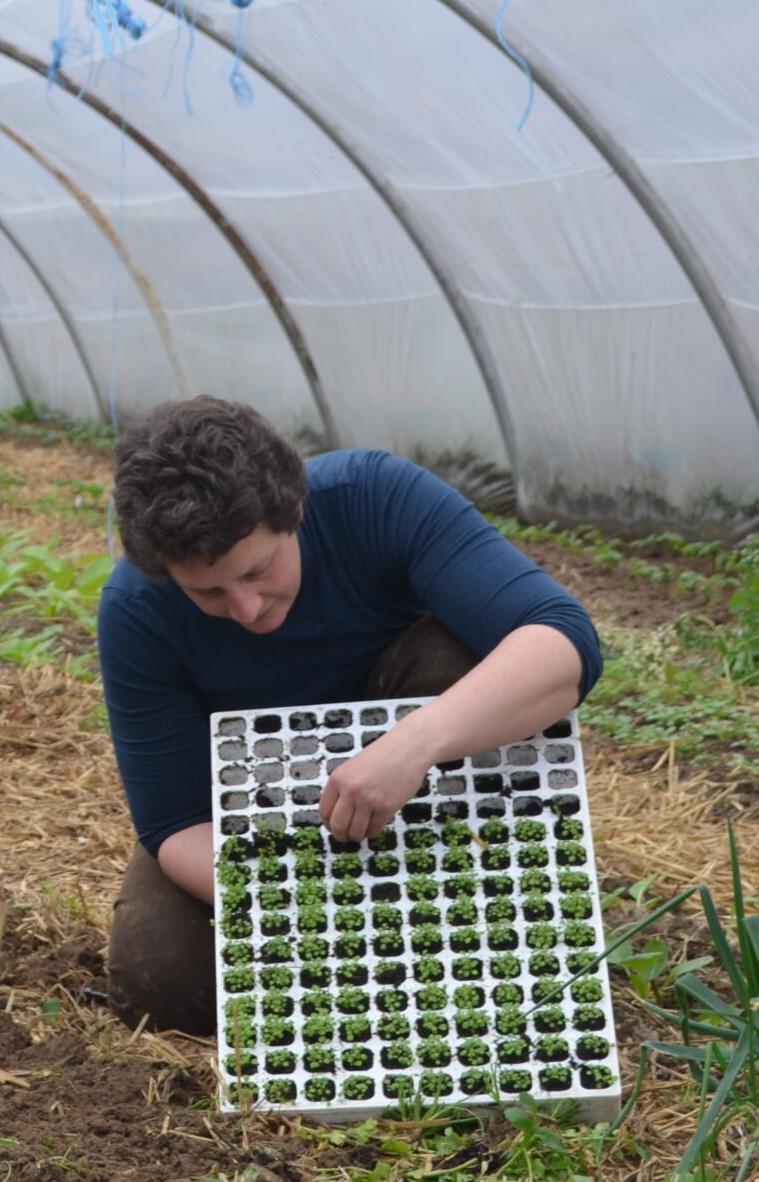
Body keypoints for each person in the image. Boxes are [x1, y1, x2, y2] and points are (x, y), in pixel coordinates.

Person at [96, 397, 601, 1036]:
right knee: (164, 979)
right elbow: (175, 822)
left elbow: (563, 643)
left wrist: (413, 744)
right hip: (261, 805)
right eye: (210, 592)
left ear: (295, 512)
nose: (247, 608)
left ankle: (485, 892)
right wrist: (315, 914)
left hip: (422, 770)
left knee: (463, 660)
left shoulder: (375, 496)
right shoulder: (137, 612)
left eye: (258, 570)